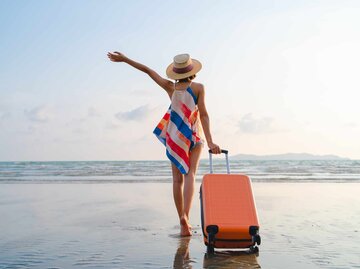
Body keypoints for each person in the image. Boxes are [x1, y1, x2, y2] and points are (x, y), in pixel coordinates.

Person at [107, 52, 221, 236]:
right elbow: (204, 115)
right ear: (192, 70)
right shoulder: (199, 88)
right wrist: (210, 141)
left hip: (175, 136)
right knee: (190, 174)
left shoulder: (170, 87)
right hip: (193, 135)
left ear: (176, 72)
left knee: (177, 180)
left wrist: (125, 59)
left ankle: (181, 220)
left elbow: (147, 70)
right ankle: (186, 215)